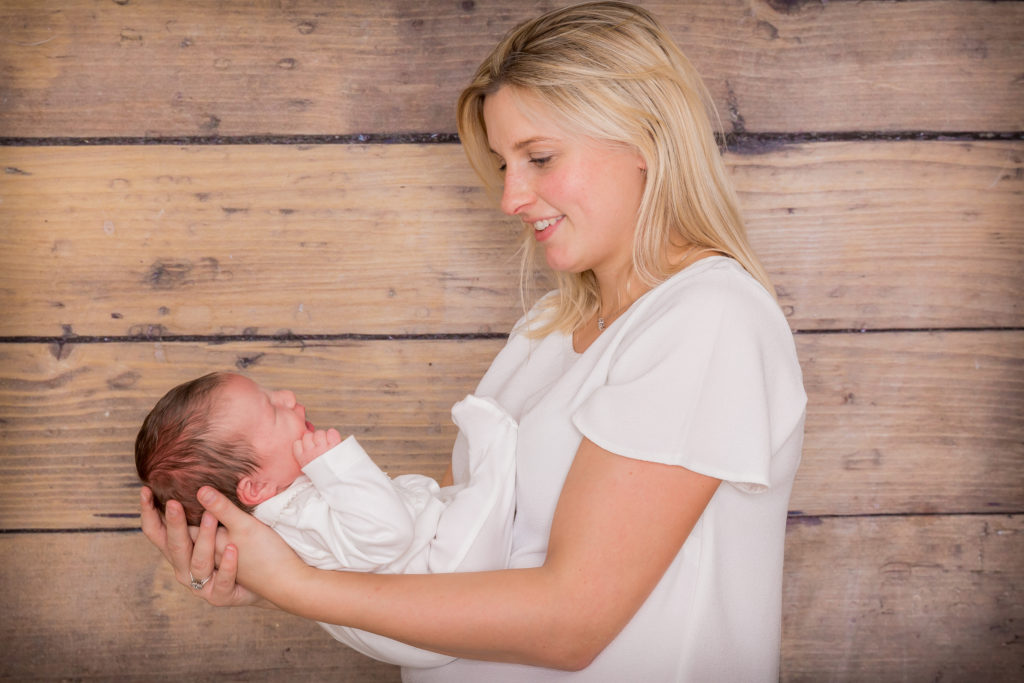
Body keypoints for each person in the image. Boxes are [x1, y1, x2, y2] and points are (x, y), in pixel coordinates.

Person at [140, 2, 807, 680]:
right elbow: (446, 561)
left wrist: (298, 585)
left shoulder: (706, 317)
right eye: (504, 163)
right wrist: (284, 555)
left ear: (646, 140)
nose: (511, 198)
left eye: (539, 157)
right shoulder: (540, 336)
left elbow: (571, 622)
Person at [135, 371, 517, 668]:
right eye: (273, 410)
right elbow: (389, 533)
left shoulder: (277, 523)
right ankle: (497, 449)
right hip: (446, 587)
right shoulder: (297, 513)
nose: (288, 398)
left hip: (423, 624)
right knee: (491, 482)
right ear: (257, 486)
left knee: (454, 506)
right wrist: (334, 465)